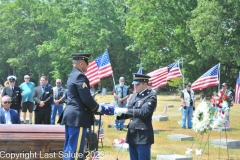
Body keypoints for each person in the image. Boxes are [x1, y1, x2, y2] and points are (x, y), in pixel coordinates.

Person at [59, 53, 114, 160]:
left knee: (69, 148)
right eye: (86, 63)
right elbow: (86, 99)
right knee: (76, 150)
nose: (88, 66)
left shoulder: (72, 75)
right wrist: (98, 108)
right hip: (78, 117)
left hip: (71, 116)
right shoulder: (80, 76)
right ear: (81, 64)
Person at [115, 73, 157, 160]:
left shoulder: (151, 97)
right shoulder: (134, 96)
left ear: (145, 84)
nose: (135, 86)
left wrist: (125, 110)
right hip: (132, 133)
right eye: (134, 84)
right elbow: (128, 111)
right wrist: (116, 113)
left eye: (137, 84)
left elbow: (143, 112)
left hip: (142, 135)